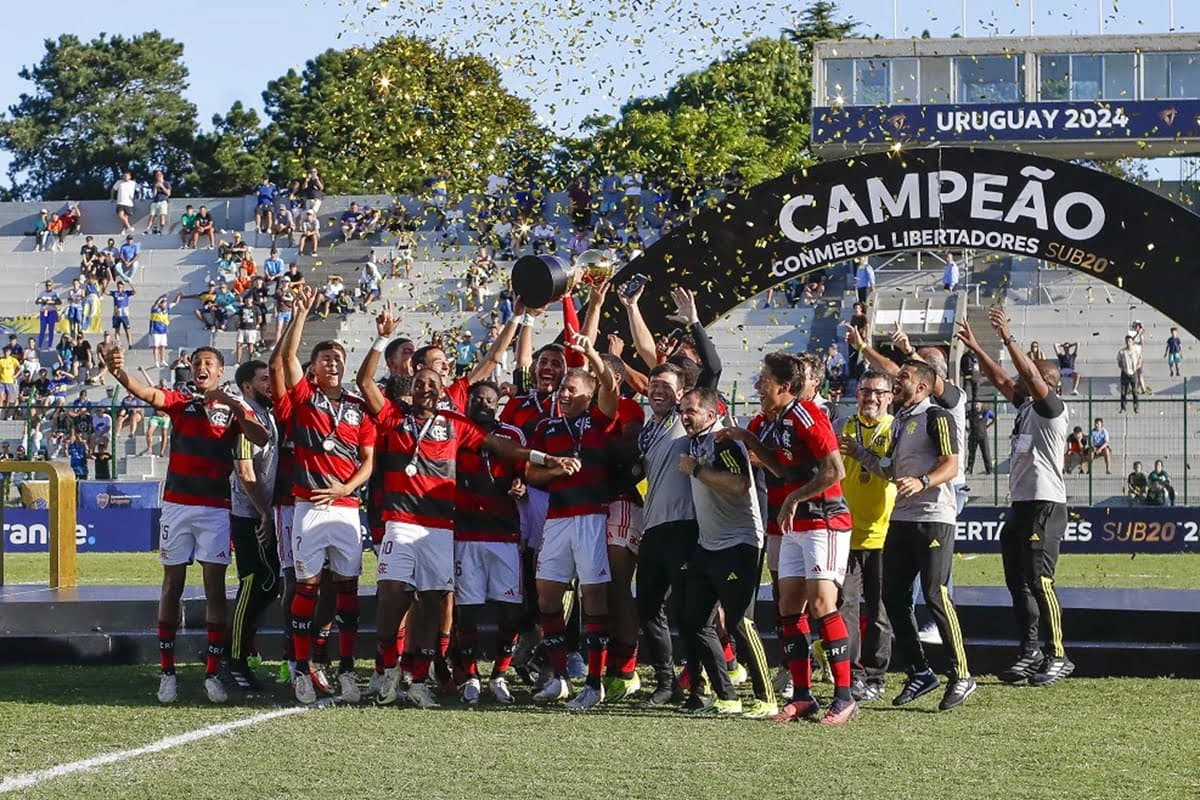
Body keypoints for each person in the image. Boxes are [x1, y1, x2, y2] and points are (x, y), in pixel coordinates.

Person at [106, 344, 268, 705]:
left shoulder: (232, 410)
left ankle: (212, 673)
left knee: (214, 589)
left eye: (208, 363)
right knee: (171, 586)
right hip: (177, 507)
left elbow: (262, 437)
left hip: (214, 509)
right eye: (196, 363)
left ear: (221, 371)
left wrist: (236, 406)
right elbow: (144, 391)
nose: (201, 367)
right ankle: (167, 674)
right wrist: (118, 372)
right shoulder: (181, 403)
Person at [720, 353, 858, 725]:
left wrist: (796, 498)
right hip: (791, 525)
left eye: (764, 378)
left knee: (821, 603)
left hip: (824, 520)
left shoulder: (808, 416)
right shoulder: (772, 422)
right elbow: (782, 469)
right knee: (788, 607)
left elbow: (835, 469)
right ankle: (802, 696)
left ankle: (844, 697)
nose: (757, 385)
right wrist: (746, 436)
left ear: (784, 386)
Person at [959, 309, 1074, 687]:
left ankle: (1059, 654)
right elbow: (1003, 378)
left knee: (1041, 581)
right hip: (1022, 505)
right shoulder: (1026, 407)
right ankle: (1030, 651)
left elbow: (1024, 375)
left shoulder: (1051, 409)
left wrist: (1008, 338)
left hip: (1045, 505)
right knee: (1018, 582)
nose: (1023, 381)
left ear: (1047, 383)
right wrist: (976, 346)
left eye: (1035, 376)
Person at [854, 359, 973, 710]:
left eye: (902, 376)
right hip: (901, 518)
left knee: (936, 594)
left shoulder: (937, 417)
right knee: (893, 597)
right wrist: (860, 453)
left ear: (921, 387)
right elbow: (890, 470)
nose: (896, 378)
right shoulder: (902, 421)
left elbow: (951, 464)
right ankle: (920, 671)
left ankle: (962, 674)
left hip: (934, 517)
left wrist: (922, 481)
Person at [278, 287, 376, 705]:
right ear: (313, 369)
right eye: (325, 359)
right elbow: (284, 360)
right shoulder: (305, 400)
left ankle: (347, 670)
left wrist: (347, 488)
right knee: (307, 588)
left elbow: (368, 460)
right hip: (309, 507)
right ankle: (302, 669)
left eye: (338, 358)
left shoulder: (358, 407)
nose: (333, 363)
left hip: (347, 507)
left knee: (348, 593)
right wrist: (301, 315)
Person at [526, 337, 619, 710]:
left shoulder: (599, 421)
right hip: (557, 518)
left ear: (588, 393)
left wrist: (593, 354)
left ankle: (594, 683)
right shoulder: (546, 428)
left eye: (570, 387)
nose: (562, 392)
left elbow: (610, 386)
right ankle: (560, 676)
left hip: (591, 518)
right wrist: (554, 467)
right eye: (561, 387)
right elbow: (531, 474)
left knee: (593, 598)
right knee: (547, 596)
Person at [677, 386, 775, 717]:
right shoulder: (696, 442)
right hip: (708, 545)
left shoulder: (723, 441)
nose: (684, 416)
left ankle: (766, 696)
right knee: (695, 620)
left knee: (738, 621)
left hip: (739, 543)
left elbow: (739, 484)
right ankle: (727, 695)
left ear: (711, 413)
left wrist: (697, 470)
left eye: (690, 410)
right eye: (682, 410)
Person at [834, 370, 896, 703]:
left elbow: (890, 469)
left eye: (877, 393)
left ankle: (877, 675)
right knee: (846, 607)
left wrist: (859, 453)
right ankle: (852, 674)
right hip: (846, 532)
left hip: (884, 534)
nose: (870, 398)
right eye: (864, 392)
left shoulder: (895, 429)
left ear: (890, 396)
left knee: (880, 610)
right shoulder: (844, 426)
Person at [224, 360, 281, 690]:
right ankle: (235, 658)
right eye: (264, 379)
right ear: (247, 385)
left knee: (269, 583)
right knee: (251, 582)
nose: (270, 383)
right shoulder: (245, 415)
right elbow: (246, 473)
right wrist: (265, 513)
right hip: (250, 514)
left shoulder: (266, 412)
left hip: (264, 513)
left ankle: (243, 648)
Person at [148, 293, 184, 367]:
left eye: (165, 303)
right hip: (155, 331)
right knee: (156, 346)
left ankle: (162, 360)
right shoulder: (155, 309)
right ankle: (156, 361)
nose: (165, 304)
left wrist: (178, 296)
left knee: (163, 346)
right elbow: (156, 303)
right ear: (160, 304)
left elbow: (174, 302)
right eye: (163, 303)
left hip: (163, 331)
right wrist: (161, 297)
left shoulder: (166, 309)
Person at [966, 400, 994, 475]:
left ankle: (989, 470)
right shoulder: (970, 412)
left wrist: (987, 426)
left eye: (978, 403)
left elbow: (994, 417)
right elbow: (963, 418)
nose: (976, 405)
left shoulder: (986, 412)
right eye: (975, 403)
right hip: (973, 436)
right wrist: (967, 428)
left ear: (981, 404)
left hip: (983, 436)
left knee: (986, 453)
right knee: (971, 454)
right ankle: (969, 469)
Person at [35, 280, 61, 350]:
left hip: (51, 312)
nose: (48, 286)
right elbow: (36, 301)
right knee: (42, 329)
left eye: (49, 285)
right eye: (47, 285)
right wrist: (41, 301)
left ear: (52, 286)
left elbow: (59, 302)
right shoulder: (42, 293)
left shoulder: (54, 293)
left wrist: (51, 302)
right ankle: (40, 345)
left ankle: (50, 345)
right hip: (43, 312)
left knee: (51, 329)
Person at [1118, 335, 1141, 414]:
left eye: (1130, 341)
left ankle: (1136, 408)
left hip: (1133, 374)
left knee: (1135, 392)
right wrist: (1123, 368)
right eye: (1127, 341)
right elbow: (1119, 362)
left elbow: (1140, 361)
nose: (1128, 343)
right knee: (1123, 392)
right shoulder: (1122, 352)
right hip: (1125, 373)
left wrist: (1136, 368)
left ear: (1132, 342)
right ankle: (1123, 407)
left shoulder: (1136, 351)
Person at [110, 281, 136, 348]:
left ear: (123, 287)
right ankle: (119, 343)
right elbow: (105, 292)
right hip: (116, 314)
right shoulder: (115, 293)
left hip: (124, 315)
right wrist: (107, 284)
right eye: (118, 287)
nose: (119, 288)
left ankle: (130, 344)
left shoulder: (126, 293)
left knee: (127, 329)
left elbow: (134, 291)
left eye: (121, 287)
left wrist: (130, 283)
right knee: (117, 330)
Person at [111, 170, 137, 234]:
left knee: (125, 218)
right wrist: (112, 198)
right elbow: (113, 189)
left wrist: (141, 197)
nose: (125, 177)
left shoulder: (133, 183)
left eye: (127, 176)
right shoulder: (119, 182)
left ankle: (124, 230)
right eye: (124, 175)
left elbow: (139, 189)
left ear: (130, 177)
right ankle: (129, 227)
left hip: (129, 203)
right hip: (120, 202)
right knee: (120, 215)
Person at [147, 170, 171, 235]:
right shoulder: (154, 184)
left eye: (160, 175)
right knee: (152, 215)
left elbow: (168, 193)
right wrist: (155, 187)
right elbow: (154, 195)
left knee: (162, 215)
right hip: (155, 201)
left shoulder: (166, 183)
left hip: (163, 201)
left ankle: (161, 229)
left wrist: (162, 186)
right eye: (157, 175)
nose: (158, 177)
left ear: (162, 176)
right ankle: (148, 229)